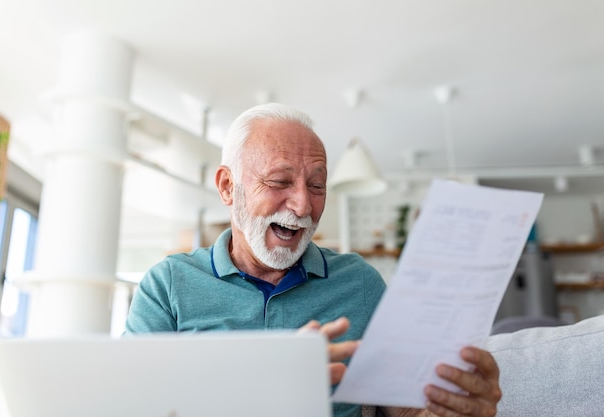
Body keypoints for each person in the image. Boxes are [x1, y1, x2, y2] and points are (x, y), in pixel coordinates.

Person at [124, 103, 501, 417]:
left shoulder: (360, 282)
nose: (304, 205)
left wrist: (451, 409)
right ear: (227, 186)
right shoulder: (169, 284)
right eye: (279, 182)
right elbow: (132, 404)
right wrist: (262, 385)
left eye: (317, 185)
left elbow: (403, 409)